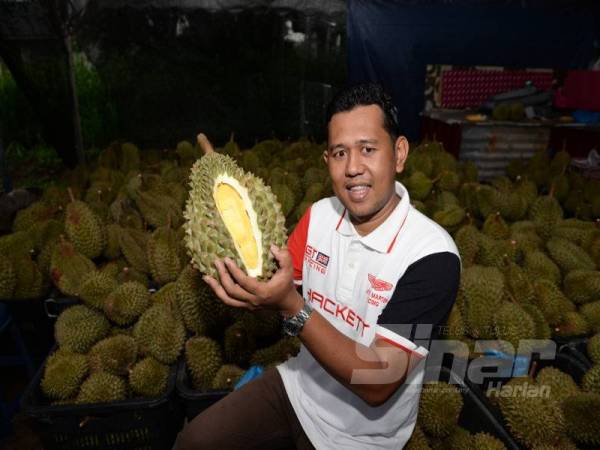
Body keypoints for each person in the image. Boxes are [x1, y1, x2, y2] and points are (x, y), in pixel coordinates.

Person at [173, 83, 461, 450]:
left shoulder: (433, 256)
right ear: (327, 162)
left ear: (399, 154)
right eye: (340, 153)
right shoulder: (318, 217)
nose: (353, 167)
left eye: (368, 149)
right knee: (193, 441)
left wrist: (292, 306)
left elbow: (378, 381)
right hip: (299, 387)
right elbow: (270, 285)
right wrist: (246, 289)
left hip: (364, 437)